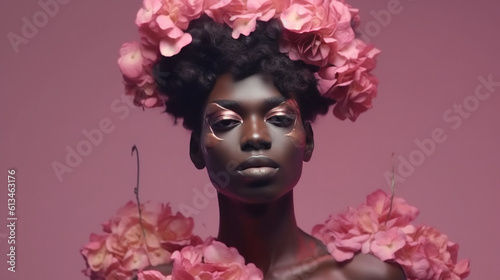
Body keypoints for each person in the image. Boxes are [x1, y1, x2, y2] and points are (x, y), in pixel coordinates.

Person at [92, 1, 468, 279]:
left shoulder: (369, 277)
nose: (255, 137)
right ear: (197, 148)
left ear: (307, 141)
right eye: (226, 121)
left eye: (279, 119)